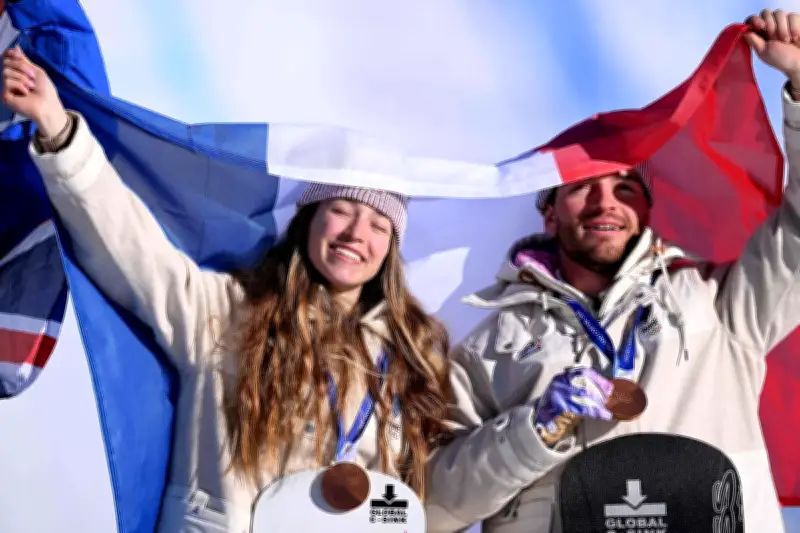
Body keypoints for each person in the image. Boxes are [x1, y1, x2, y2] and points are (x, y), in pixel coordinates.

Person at [1, 48, 453, 532]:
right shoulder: (229, 312)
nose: (356, 234)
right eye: (342, 210)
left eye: (379, 225)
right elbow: (131, 248)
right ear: (309, 220)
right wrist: (60, 132)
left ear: (390, 250)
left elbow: (419, 500)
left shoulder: (406, 361)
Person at [424, 9, 800, 533]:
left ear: (645, 210)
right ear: (549, 213)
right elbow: (433, 507)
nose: (606, 203)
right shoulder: (489, 348)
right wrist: (533, 430)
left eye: (625, 188)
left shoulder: (718, 303)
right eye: (582, 188)